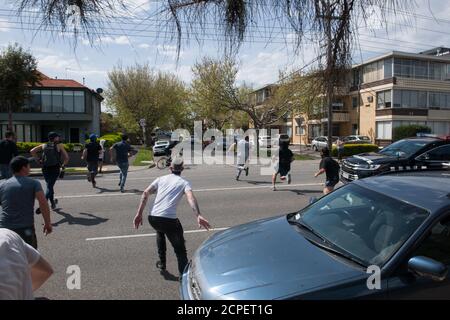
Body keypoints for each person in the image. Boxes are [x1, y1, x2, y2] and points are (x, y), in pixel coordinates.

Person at [133, 157, 211, 278]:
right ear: (182, 169)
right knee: (180, 251)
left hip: (153, 218)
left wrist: (139, 214)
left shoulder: (160, 179)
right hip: (168, 221)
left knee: (160, 232)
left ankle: (162, 263)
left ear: (170, 168)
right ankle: (184, 278)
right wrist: (198, 215)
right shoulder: (184, 182)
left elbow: (145, 193)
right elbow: (190, 197)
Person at [0, 156, 52, 249]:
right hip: (25, 228)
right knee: (30, 258)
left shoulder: (2, 184)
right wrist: (47, 223)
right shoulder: (33, 183)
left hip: (5, 228)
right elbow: (43, 203)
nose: (30, 168)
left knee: (9, 258)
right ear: (24, 168)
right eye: (28, 165)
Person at [0, 228, 54, 300]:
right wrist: (23, 290)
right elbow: (45, 271)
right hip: (23, 230)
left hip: (11, 225)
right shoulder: (6, 236)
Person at [31, 132, 69, 210]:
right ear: (55, 138)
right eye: (57, 137)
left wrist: (38, 160)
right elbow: (67, 158)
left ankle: (52, 203)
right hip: (55, 169)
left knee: (49, 186)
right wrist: (63, 165)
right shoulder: (59, 145)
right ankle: (42, 205)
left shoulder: (44, 145)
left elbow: (32, 151)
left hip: (45, 168)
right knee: (49, 186)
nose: (58, 138)